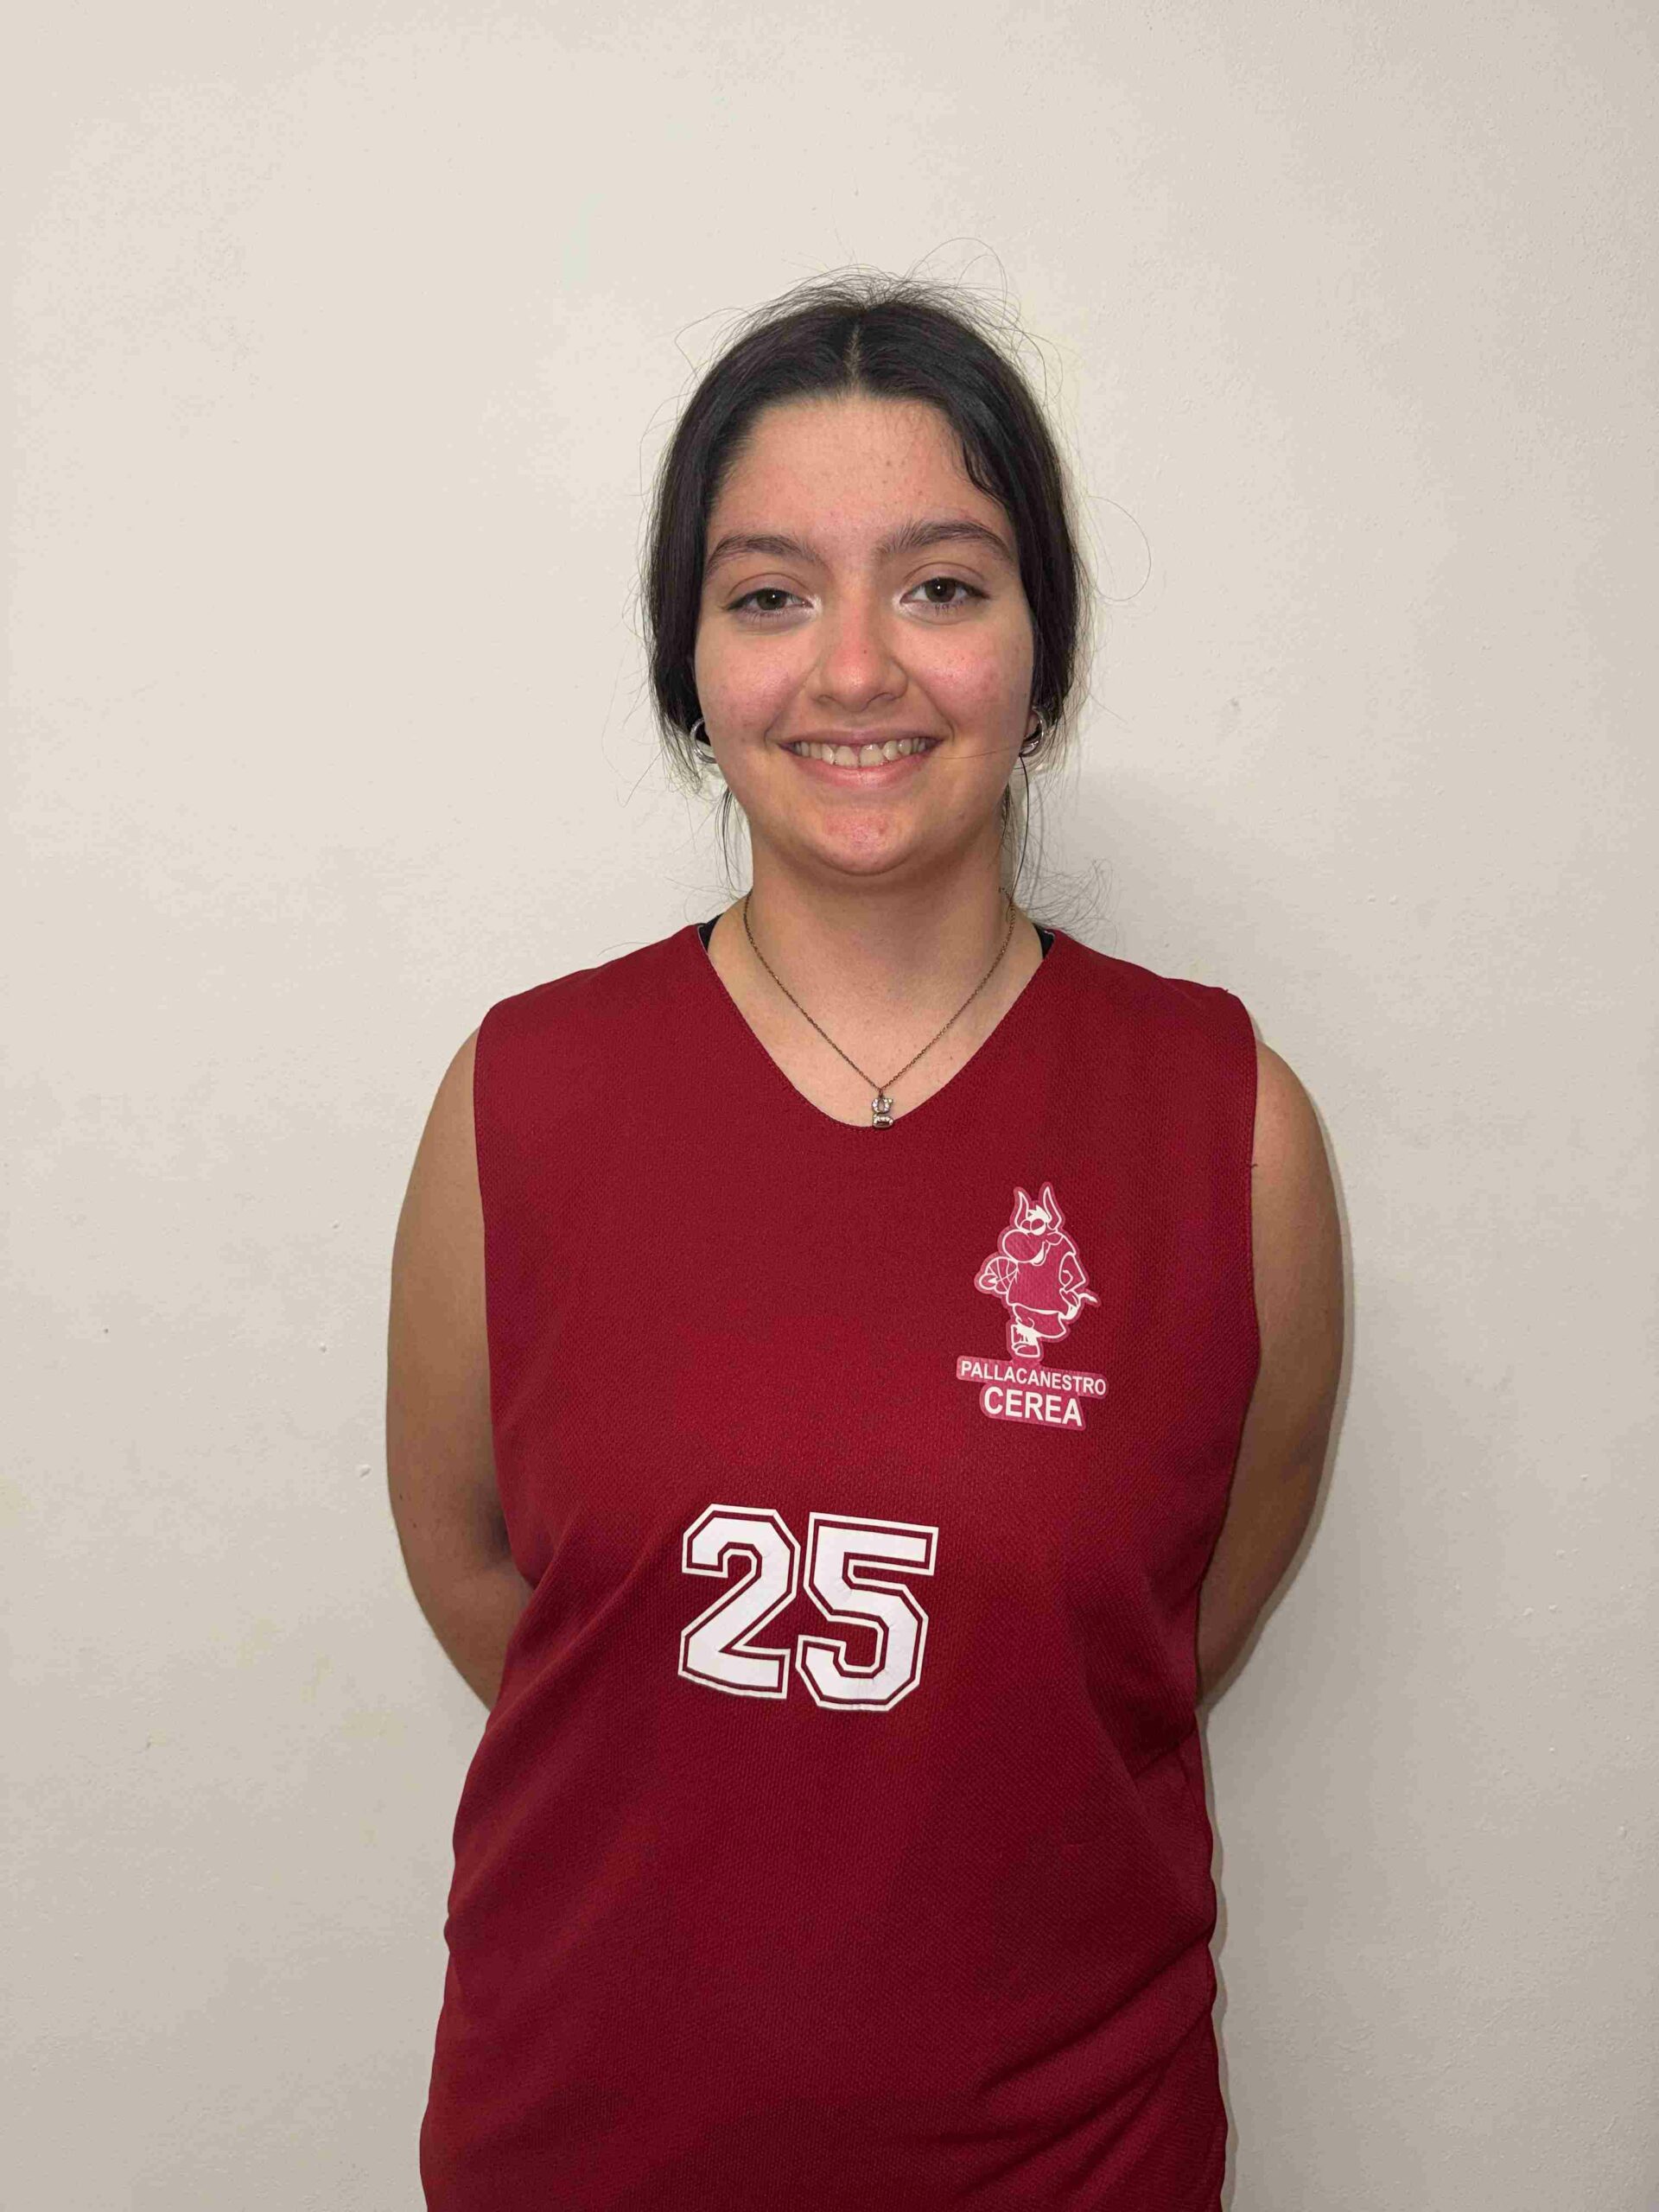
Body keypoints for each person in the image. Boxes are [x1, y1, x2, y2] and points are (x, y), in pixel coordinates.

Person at [386, 270, 1344, 2210]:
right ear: (688, 664)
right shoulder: (521, 1096)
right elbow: (490, 1580)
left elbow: (1161, 1632)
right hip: (584, 2155)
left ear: (1042, 646)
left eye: (940, 585)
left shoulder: (1229, 1126)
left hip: (1068, 2167)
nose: (852, 670)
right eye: (768, 595)